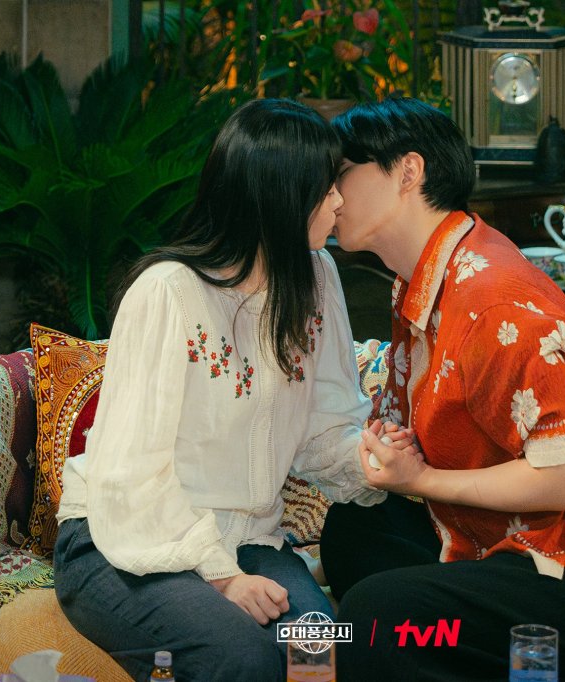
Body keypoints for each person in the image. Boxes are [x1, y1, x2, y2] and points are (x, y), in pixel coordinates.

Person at [319, 98, 565, 681]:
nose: (330, 194)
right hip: (510, 541)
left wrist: (421, 480)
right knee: (355, 526)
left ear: (407, 172)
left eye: (342, 172)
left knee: (376, 614)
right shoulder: (423, 277)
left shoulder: (489, 299)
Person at [52, 98, 413, 682]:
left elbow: (324, 427)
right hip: (127, 540)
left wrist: (373, 460)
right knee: (240, 659)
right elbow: (132, 472)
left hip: (251, 540)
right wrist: (222, 577)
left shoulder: (316, 278)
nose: (339, 201)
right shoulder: (167, 292)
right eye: (324, 187)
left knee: (319, 652)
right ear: (279, 196)